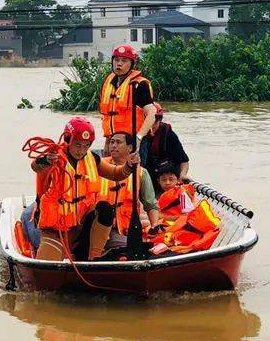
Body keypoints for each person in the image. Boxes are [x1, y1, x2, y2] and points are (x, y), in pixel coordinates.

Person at [30, 116, 138, 261]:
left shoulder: (92, 158)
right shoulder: (53, 158)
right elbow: (36, 166)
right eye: (78, 145)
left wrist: (129, 165)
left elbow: (115, 173)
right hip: (56, 230)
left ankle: (94, 258)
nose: (81, 150)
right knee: (45, 268)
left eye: (86, 145)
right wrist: (44, 160)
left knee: (105, 209)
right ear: (68, 140)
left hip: (81, 226)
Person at [99, 131, 162, 256]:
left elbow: (150, 204)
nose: (113, 146)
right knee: (127, 248)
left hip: (125, 228)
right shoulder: (98, 165)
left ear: (130, 148)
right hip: (99, 226)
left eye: (118, 142)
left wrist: (154, 226)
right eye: (112, 142)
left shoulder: (141, 173)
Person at [99, 45, 157, 141]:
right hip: (114, 141)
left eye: (124, 61)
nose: (119, 64)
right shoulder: (108, 83)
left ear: (133, 64)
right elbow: (108, 118)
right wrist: (108, 141)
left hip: (134, 141)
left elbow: (151, 114)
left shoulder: (139, 85)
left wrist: (139, 138)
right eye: (116, 60)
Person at [141, 104, 190, 191]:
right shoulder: (136, 135)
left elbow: (184, 161)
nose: (152, 126)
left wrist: (182, 174)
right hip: (143, 179)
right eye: (148, 122)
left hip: (165, 180)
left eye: (155, 121)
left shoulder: (168, 134)